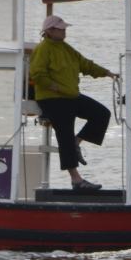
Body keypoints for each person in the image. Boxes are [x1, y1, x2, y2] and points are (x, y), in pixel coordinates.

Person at [29, 14, 118, 190]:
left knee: (101, 114)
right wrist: (53, 87)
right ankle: (76, 180)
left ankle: (76, 143)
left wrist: (107, 73)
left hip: (70, 96)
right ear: (49, 31)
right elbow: (37, 74)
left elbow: (85, 64)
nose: (65, 31)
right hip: (52, 99)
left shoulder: (66, 48)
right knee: (65, 136)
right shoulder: (43, 49)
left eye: (65, 29)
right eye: (61, 29)